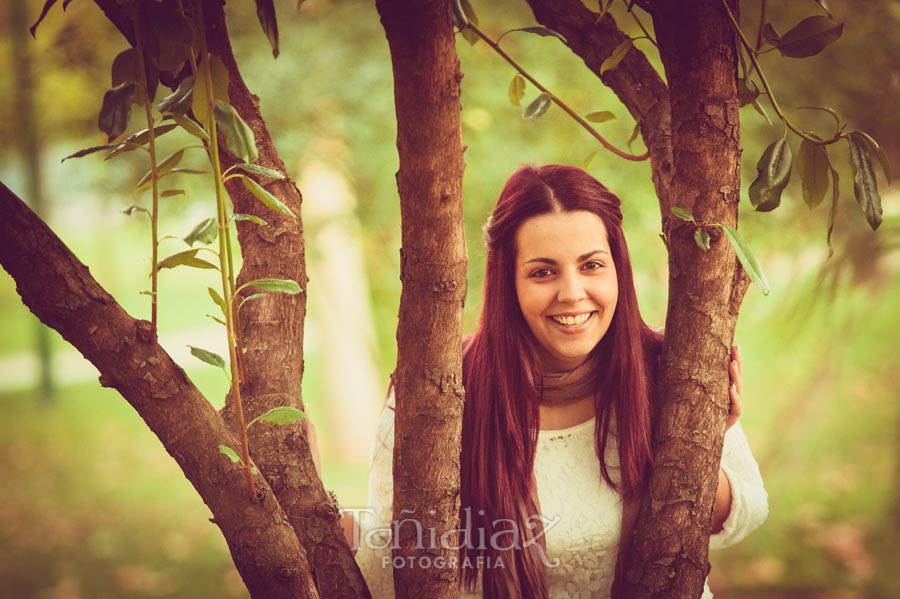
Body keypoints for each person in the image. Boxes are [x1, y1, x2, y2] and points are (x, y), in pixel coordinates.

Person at [350, 164, 768, 598]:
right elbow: (393, 567)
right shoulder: (441, 393)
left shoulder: (669, 368)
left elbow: (747, 509)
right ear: (507, 283)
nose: (572, 292)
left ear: (618, 271)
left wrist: (696, 447)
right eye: (543, 272)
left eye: (591, 265)